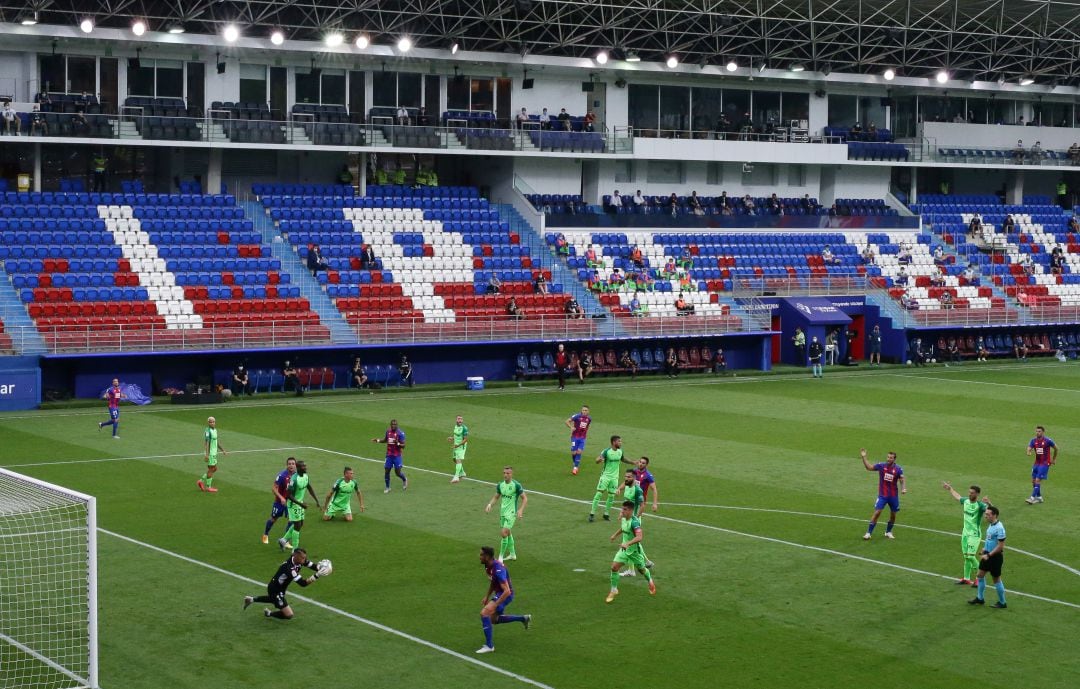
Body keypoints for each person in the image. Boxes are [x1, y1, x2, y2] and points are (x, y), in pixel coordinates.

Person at [243, 548, 327, 620]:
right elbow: (302, 583)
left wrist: (322, 568)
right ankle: (269, 613)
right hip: (275, 589)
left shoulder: (298, 560)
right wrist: (317, 575)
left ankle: (251, 599)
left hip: (279, 588)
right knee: (289, 615)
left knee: (273, 599)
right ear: (296, 556)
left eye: (304, 558)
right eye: (302, 558)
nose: (304, 560)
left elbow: (312, 566)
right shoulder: (290, 569)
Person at [476, 546, 531, 654]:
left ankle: (489, 646)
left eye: (481, 555)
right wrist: (487, 596)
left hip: (505, 595)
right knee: (493, 619)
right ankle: (523, 619)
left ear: (487, 556)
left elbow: (507, 591)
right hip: (500, 593)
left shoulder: (498, 569)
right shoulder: (488, 566)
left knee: (484, 613)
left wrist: (496, 604)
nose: (480, 557)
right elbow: (493, 582)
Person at [605, 501, 657, 603]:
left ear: (631, 510)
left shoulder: (635, 522)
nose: (622, 511)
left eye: (625, 509)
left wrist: (628, 543)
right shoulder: (624, 518)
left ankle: (650, 581)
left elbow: (639, 537)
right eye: (622, 509)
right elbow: (623, 528)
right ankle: (614, 590)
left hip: (634, 552)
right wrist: (615, 535)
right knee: (614, 567)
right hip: (624, 549)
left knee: (642, 570)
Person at [942, 481, 990, 586]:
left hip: (974, 534)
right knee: (966, 557)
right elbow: (958, 497)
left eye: (972, 493)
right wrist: (950, 489)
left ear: (977, 494)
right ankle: (966, 578)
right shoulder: (966, 501)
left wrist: (989, 503)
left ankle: (980, 577)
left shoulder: (980, 505)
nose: (969, 494)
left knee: (970, 556)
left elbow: (991, 511)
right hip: (965, 533)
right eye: (969, 492)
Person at [860, 449, 906, 540]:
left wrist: (903, 488)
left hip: (893, 496)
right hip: (883, 495)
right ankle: (868, 533)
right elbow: (869, 467)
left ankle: (888, 532)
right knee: (877, 512)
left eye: (891, 458)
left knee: (893, 515)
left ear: (894, 459)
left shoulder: (898, 469)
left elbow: (902, 480)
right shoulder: (881, 466)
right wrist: (864, 457)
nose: (888, 459)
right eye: (888, 457)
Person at [485, 466, 527, 562]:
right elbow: (496, 497)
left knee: (503, 533)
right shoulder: (500, 485)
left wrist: (520, 510)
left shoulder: (516, 485)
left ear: (511, 474)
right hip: (503, 512)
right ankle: (512, 554)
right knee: (508, 533)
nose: (506, 475)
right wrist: (489, 504)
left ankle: (500, 558)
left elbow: (525, 498)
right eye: (504, 473)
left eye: (508, 473)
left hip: (511, 513)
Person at [969, 506, 1008, 609]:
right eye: (985, 514)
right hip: (987, 554)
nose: (985, 516)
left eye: (988, 515)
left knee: (996, 580)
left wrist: (989, 555)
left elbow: (1000, 546)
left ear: (994, 515)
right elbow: (990, 540)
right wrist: (984, 549)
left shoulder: (1000, 528)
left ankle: (1002, 602)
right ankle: (980, 598)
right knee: (980, 575)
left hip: (995, 557)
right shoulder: (991, 525)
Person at [589, 435, 633, 522]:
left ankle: (606, 514)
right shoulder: (607, 451)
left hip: (614, 478)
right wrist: (598, 460)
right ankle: (592, 514)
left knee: (611, 496)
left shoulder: (620, 451)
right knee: (599, 494)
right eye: (619, 441)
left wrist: (633, 462)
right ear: (614, 442)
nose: (621, 443)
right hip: (605, 476)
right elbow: (598, 459)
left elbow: (623, 459)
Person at [278, 460, 320, 551]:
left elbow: (309, 487)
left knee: (300, 524)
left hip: (300, 503)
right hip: (293, 504)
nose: (305, 468)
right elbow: (288, 495)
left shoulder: (306, 476)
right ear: (298, 468)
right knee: (297, 526)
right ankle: (295, 550)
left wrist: (316, 500)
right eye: (303, 466)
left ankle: (283, 540)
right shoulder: (293, 479)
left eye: (305, 466)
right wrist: (301, 504)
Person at [262, 457, 297, 544]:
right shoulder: (282, 475)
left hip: (290, 502)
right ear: (287, 465)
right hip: (279, 502)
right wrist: (281, 498)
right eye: (289, 464)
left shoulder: (296, 476)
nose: (291, 465)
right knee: (273, 519)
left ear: (295, 465)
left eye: (293, 464)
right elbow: (274, 488)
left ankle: (285, 541)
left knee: (291, 521)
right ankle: (265, 534)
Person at [372, 419, 408, 492]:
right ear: (390, 425)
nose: (393, 426)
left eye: (395, 424)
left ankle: (404, 479)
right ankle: (387, 487)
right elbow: (385, 440)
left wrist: (397, 443)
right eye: (392, 424)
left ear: (397, 425)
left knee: (397, 473)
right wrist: (378, 440)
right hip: (389, 455)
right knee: (387, 471)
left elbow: (403, 446)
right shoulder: (388, 432)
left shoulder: (401, 433)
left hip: (397, 456)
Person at [1025, 425, 1058, 504]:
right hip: (1037, 463)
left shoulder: (1048, 441)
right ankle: (1039, 497)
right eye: (1036, 431)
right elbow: (1029, 447)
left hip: (1045, 463)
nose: (1037, 433)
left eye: (1039, 431)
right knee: (1033, 481)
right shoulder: (1033, 440)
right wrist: (1028, 452)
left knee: (1037, 480)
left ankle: (1032, 498)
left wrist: (1054, 459)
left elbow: (1056, 448)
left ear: (1043, 432)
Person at [197, 416, 228, 493]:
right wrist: (207, 455)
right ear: (208, 423)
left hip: (214, 453)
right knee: (211, 469)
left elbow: (216, 442)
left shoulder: (215, 430)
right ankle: (208, 487)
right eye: (210, 422)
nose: (212, 423)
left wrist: (222, 450)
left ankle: (200, 481)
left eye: (213, 422)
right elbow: (207, 443)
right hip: (210, 453)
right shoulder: (208, 431)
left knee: (214, 469)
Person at [565, 404, 592, 474]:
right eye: (583, 410)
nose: (584, 411)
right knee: (574, 453)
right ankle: (575, 463)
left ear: (588, 411)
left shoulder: (589, 418)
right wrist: (571, 427)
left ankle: (575, 468)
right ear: (581, 410)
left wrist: (585, 432)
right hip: (574, 437)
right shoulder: (577, 416)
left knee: (579, 451)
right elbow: (567, 421)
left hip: (582, 438)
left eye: (586, 410)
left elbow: (587, 426)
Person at [449, 415, 469, 484]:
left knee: (458, 460)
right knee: (454, 459)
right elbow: (457, 435)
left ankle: (456, 477)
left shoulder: (464, 428)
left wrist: (458, 445)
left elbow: (465, 439)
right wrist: (452, 438)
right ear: (456, 420)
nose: (460, 420)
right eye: (458, 419)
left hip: (461, 446)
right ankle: (462, 472)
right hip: (456, 446)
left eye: (461, 419)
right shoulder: (455, 427)